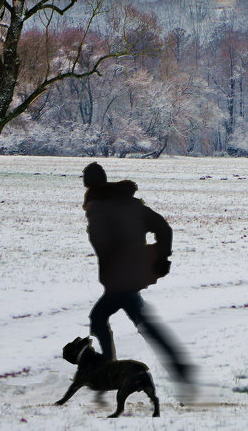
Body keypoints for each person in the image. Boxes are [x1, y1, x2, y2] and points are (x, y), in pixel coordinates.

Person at [81, 162, 194, 396]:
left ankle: (108, 370)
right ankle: (178, 367)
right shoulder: (128, 204)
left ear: (89, 182)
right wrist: (161, 256)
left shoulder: (99, 207)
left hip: (120, 277)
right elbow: (163, 227)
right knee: (139, 322)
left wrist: (156, 257)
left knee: (102, 317)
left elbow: (104, 244)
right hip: (128, 275)